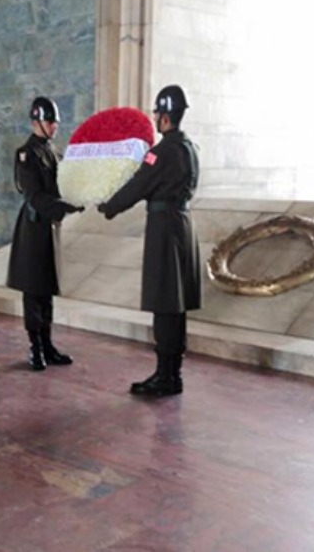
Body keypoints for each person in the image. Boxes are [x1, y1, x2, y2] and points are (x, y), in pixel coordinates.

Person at [98, 85, 201, 397]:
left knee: (164, 302)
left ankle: (165, 377)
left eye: (158, 113)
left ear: (166, 116)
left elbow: (139, 185)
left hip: (164, 229)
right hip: (182, 227)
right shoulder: (190, 147)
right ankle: (173, 373)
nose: (155, 118)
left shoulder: (163, 151)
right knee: (176, 305)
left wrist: (109, 206)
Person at [7, 96, 84, 371]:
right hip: (34, 226)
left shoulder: (54, 151)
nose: (54, 127)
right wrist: (63, 207)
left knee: (47, 288)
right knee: (33, 290)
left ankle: (48, 345)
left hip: (49, 226)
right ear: (36, 121)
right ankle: (35, 347)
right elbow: (34, 195)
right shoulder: (25, 153)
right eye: (50, 122)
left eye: (56, 123)